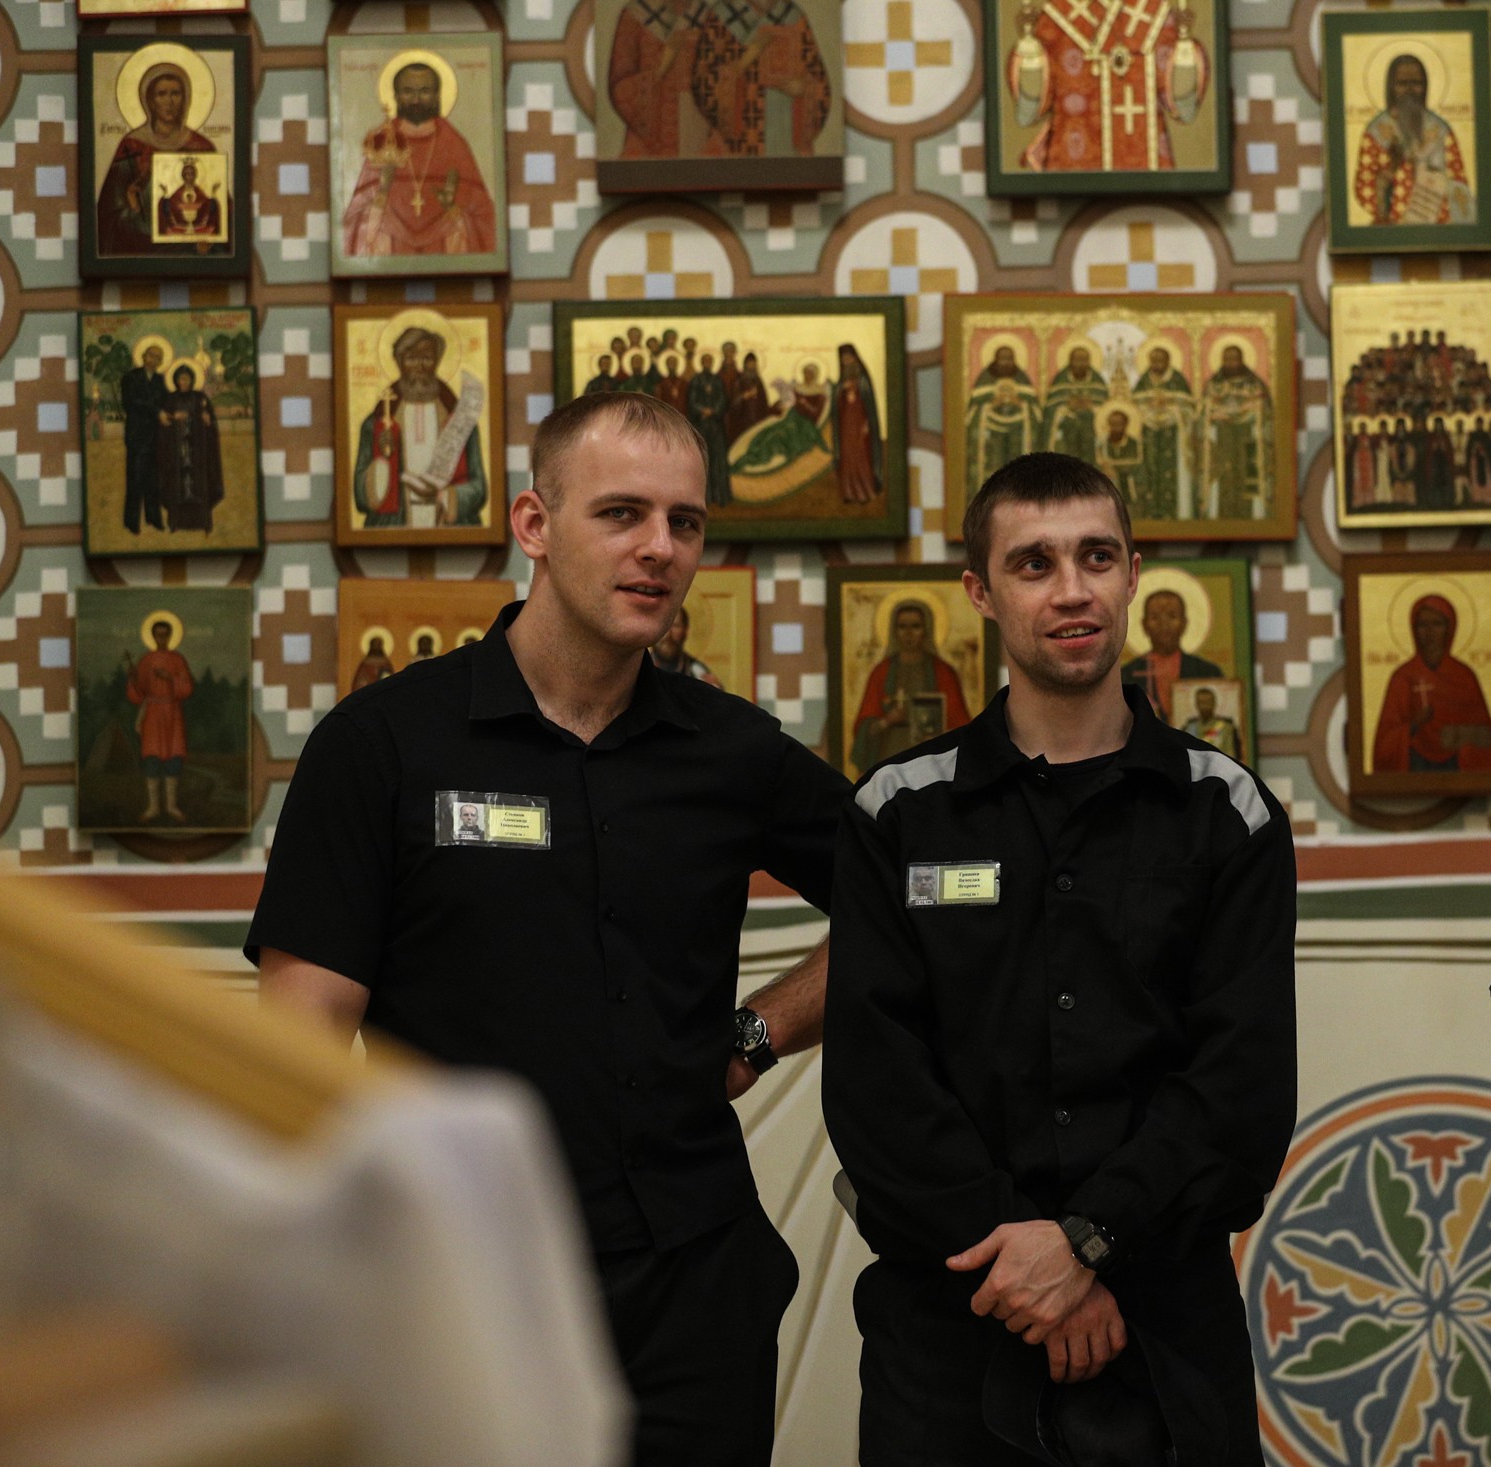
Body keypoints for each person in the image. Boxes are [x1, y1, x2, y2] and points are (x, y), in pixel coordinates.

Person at [250, 391, 854, 1467]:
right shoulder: (383, 745)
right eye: (621, 513)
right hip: (462, 1287)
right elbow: (296, 1049)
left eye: (684, 522)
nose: (659, 548)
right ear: (534, 523)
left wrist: (761, 1031)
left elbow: (913, 910)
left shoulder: (732, 752)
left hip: (691, 1289)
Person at [824, 450, 1296, 1466]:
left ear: (1134, 574)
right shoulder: (898, 812)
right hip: (946, 1328)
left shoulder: (1227, 814)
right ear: (979, 592)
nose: (1072, 589)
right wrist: (1029, 1266)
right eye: (1033, 563)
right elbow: (876, 1086)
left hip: (1161, 1326)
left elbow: (1241, 1087)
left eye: (1096, 556)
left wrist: (1089, 1242)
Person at [1006, 0, 1207, 172]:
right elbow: (1028, 113)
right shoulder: (1058, 13)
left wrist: (1184, 47)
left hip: (1146, 171)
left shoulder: (1153, 11)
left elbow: (1184, 109)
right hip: (1074, 170)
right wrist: (1029, 50)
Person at [340, 60, 498, 257]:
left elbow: (484, 218)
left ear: (437, 96)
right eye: (408, 91)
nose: (416, 99)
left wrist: (453, 207)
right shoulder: (383, 142)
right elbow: (355, 219)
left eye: (424, 91)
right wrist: (381, 192)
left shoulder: (454, 144)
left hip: (445, 251)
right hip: (390, 250)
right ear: (396, 96)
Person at [353, 325, 490, 530]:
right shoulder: (377, 423)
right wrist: (380, 466)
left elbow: (479, 488)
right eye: (411, 358)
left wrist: (446, 496)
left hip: (447, 528)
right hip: (393, 527)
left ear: (437, 362)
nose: (420, 366)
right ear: (399, 362)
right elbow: (359, 494)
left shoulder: (459, 420)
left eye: (427, 358)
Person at [98, 61, 218, 257]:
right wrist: (134, 209)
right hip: (143, 247)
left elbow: (220, 207)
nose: (169, 102)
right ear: (150, 101)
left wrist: (210, 236)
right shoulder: (132, 146)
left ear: (185, 98)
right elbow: (108, 216)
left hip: (191, 249)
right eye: (161, 94)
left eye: (175, 93)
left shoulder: (201, 146)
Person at [1371, 595, 1491, 772]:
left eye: (1437, 624)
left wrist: (1456, 734)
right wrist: (1414, 724)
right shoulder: (1403, 677)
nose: (1429, 632)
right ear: (1414, 629)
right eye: (1422, 625)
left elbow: (1485, 736)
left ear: (1449, 628)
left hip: (1458, 767)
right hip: (1414, 765)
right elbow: (1384, 743)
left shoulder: (1464, 676)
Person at [692, 0, 833, 158]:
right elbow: (704, 85)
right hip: (741, 144)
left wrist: (804, 88)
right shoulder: (722, 15)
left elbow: (818, 79)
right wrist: (747, 57)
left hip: (785, 136)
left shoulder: (793, 16)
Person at [848, 600, 971, 776]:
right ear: (894, 631)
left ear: (926, 630)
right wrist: (887, 721)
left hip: (931, 762)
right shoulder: (882, 672)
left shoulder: (943, 672)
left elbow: (962, 727)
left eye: (915, 626)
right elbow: (863, 729)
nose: (908, 634)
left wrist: (939, 736)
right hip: (889, 763)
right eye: (902, 627)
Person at [1354, 55, 1473, 226]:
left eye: (1416, 83)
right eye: (1402, 83)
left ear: (1425, 87)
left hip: (1436, 228)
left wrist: (1436, 185)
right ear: (1391, 87)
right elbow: (1363, 185)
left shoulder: (1440, 131)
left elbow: (1459, 184)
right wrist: (1386, 181)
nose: (1409, 90)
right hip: (1392, 228)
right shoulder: (1376, 132)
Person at [608, 0, 716, 159]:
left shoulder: (707, 14)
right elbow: (621, 89)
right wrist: (663, 64)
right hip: (653, 142)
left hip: (700, 130)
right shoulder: (635, 15)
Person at [129, 616, 194, 822]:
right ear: (153, 636)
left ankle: (172, 807)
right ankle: (153, 807)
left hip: (173, 714)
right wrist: (133, 679)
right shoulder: (146, 660)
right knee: (152, 759)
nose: (162, 638)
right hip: (152, 714)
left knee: (174, 759)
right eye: (158, 635)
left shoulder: (178, 660)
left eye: (165, 635)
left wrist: (170, 678)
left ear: (170, 636)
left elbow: (187, 688)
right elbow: (138, 693)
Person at [1120, 588, 1220, 718]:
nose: (1164, 624)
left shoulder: (1207, 672)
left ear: (1184, 623)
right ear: (1144, 625)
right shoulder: (1127, 675)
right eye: (1155, 617)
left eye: (1172, 616)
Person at [1199, 344, 1271, 520]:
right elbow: (1203, 411)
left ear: (1241, 360)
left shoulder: (1254, 384)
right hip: (1221, 438)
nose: (1230, 363)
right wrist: (1213, 414)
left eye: (1234, 359)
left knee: (1246, 474)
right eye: (1226, 359)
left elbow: (1265, 409)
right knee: (1223, 475)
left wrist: (1249, 410)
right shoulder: (1214, 385)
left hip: (1248, 437)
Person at [156, 364, 226, 533]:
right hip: (176, 453)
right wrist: (173, 417)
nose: (184, 382)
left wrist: (207, 419)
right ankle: (176, 522)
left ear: (192, 380)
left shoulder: (200, 397)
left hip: (197, 453)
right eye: (181, 379)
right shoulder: (170, 399)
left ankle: (202, 522)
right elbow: (163, 422)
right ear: (176, 381)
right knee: (176, 485)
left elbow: (209, 420)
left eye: (187, 379)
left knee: (200, 485)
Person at [1130, 346, 1196, 520]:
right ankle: (1149, 514)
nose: (1157, 364)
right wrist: (1149, 408)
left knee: (1171, 474)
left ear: (1168, 361)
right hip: (1148, 434)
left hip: (1173, 433)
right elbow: (1133, 407)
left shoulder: (1177, 380)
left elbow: (1189, 407)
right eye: (1154, 360)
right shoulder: (1144, 380)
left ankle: (1172, 514)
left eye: (1160, 360)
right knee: (1149, 471)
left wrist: (1170, 407)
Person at [966, 346, 1040, 492]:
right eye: (1002, 359)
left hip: (1018, 433)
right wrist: (992, 404)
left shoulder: (1022, 378)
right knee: (994, 468)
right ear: (995, 360)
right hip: (991, 435)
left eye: (1009, 359)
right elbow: (973, 411)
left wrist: (1020, 404)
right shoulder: (985, 379)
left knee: (1018, 468)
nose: (1006, 363)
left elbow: (1035, 410)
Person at [119, 346, 170, 534]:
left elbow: (166, 402)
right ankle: (131, 522)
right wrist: (156, 412)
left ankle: (153, 519)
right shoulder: (130, 378)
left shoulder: (160, 380)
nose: (154, 359)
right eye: (151, 355)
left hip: (155, 437)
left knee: (153, 481)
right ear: (143, 356)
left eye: (158, 357)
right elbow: (131, 403)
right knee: (135, 480)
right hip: (137, 437)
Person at [832, 344, 883, 504]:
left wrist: (868, 423)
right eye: (843, 359)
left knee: (861, 457)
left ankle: (864, 493)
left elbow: (870, 407)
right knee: (848, 458)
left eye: (849, 358)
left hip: (860, 425)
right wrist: (841, 391)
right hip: (846, 426)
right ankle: (849, 493)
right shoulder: (841, 383)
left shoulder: (863, 381)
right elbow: (836, 407)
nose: (847, 361)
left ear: (855, 358)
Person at [1041, 345, 1109, 463]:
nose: (1080, 364)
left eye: (1084, 360)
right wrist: (1066, 407)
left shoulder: (1097, 381)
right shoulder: (1060, 380)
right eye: (1077, 360)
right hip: (1066, 430)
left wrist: (1091, 406)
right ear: (1070, 361)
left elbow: (1107, 409)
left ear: (1089, 362)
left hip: (1091, 431)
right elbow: (1050, 409)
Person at [685, 351, 732, 507]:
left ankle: (720, 497)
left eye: (709, 361)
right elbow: (691, 401)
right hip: (701, 426)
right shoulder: (696, 380)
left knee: (718, 461)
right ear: (701, 363)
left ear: (712, 363)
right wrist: (702, 411)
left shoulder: (717, 380)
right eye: (705, 361)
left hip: (716, 426)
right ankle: (704, 498)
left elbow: (723, 400)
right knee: (702, 461)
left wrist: (713, 411)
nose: (707, 363)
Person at [650, 603, 722, 687]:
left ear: (685, 630)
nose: (668, 634)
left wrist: (714, 691)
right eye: (663, 625)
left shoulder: (697, 672)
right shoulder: (639, 667)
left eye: (675, 626)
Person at [155, 160, 221, 238]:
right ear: (183, 176)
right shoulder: (179, 191)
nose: (189, 176)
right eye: (187, 174)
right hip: (180, 226)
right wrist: (165, 194)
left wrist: (213, 194)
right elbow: (171, 203)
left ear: (195, 175)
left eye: (192, 174)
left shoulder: (198, 191)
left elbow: (206, 203)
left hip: (198, 226)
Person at [1180, 684, 1241, 760]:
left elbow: (1231, 756)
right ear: (1196, 704)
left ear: (1214, 703)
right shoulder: (1189, 728)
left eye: (1208, 702)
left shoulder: (1225, 728)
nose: (1204, 706)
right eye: (1201, 702)